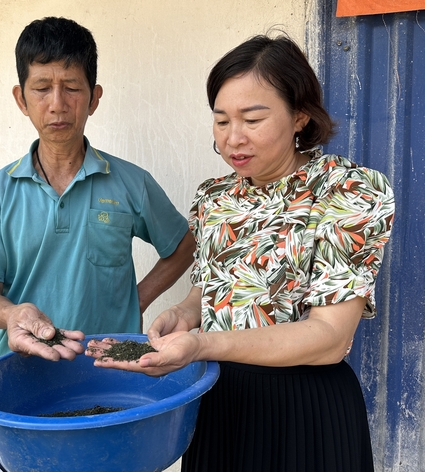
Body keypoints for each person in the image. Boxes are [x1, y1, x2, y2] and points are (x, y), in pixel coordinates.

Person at [87, 34, 395, 472]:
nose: (234, 139)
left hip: (303, 411)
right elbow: (214, 288)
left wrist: (200, 344)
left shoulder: (345, 191)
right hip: (217, 402)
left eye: (252, 119)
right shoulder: (214, 198)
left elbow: (330, 337)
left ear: (300, 116)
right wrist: (185, 313)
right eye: (221, 120)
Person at [0, 17, 194, 366]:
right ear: (21, 99)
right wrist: (13, 315)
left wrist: (136, 299)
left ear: (94, 98)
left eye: (72, 87)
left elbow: (184, 244)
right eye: (42, 87)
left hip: (112, 368)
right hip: (23, 372)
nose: (58, 103)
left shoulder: (130, 182)